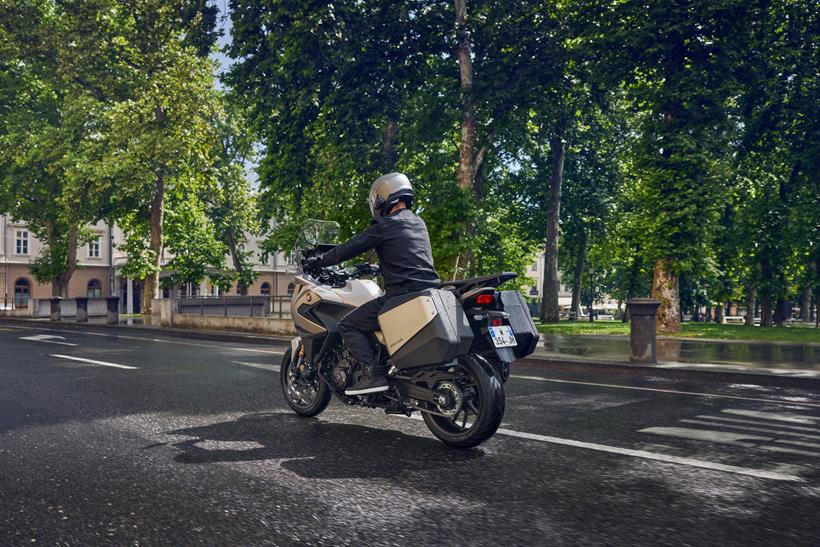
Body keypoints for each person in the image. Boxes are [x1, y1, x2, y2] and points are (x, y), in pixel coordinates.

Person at [305, 173, 440, 395]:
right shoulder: (418, 223)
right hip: (428, 291)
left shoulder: (385, 225)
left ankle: (373, 374)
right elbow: (408, 257)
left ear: (383, 197)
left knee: (348, 324)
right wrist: (377, 268)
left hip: (401, 294)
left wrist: (319, 260)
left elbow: (349, 248)